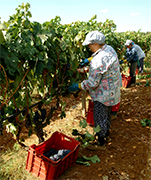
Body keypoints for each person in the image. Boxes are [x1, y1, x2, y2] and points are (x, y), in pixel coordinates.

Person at [69, 31, 121, 150]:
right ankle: (106, 134)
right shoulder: (109, 49)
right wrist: (89, 60)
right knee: (107, 114)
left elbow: (92, 83)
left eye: (90, 45)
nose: (89, 47)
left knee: (99, 117)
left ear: (96, 44)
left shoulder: (98, 60)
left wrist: (78, 86)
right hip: (112, 91)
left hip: (103, 94)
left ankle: (100, 142)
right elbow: (102, 65)